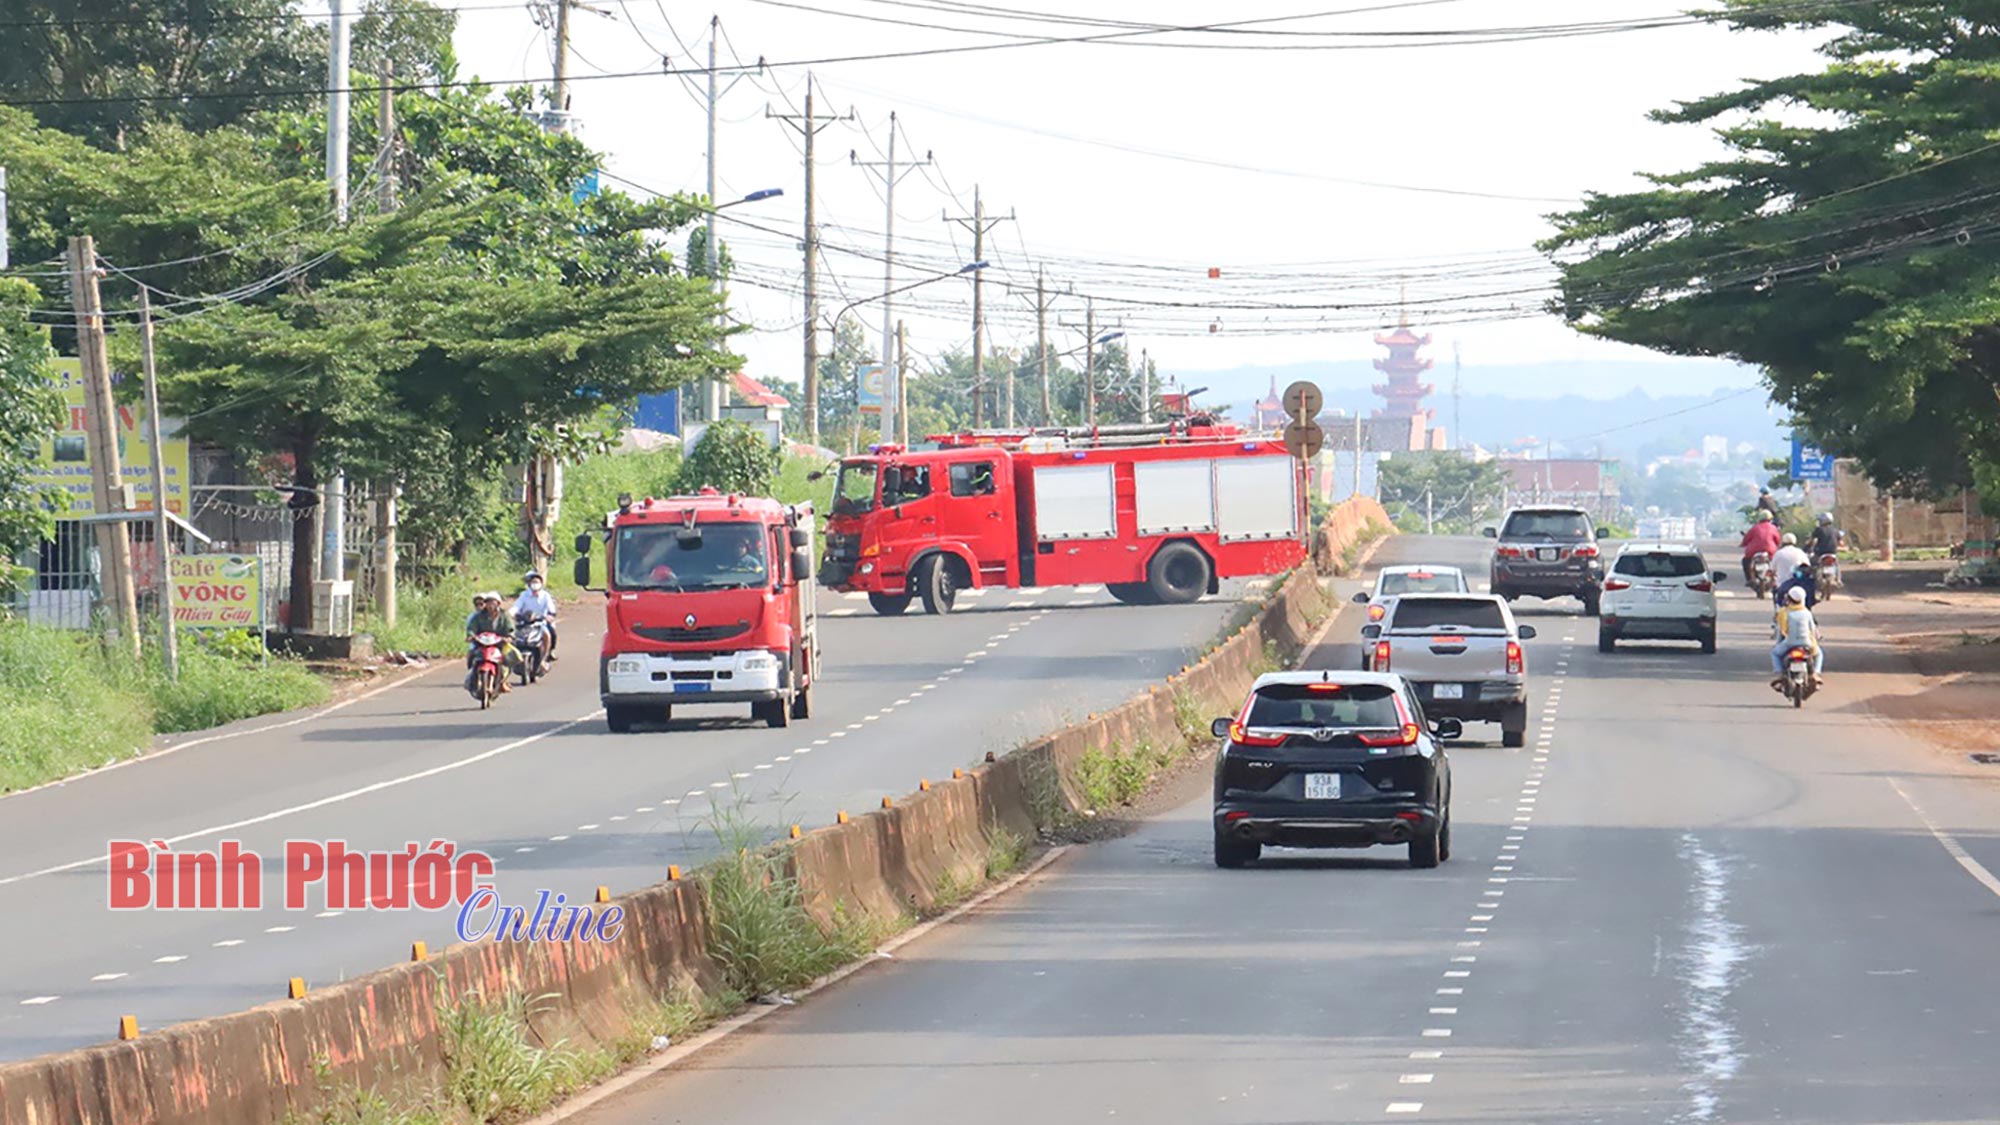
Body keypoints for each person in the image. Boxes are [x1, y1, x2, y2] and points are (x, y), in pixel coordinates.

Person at [1771, 585, 1824, 689]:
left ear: (1789, 599)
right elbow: (1812, 629)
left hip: (1789, 643)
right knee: (1819, 654)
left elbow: (1781, 630)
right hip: (1806, 643)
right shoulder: (1807, 613)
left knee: (1775, 653)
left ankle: (1780, 673)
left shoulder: (1784, 612)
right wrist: (1815, 640)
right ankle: (1815, 674)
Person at [465, 593, 519, 692]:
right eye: (488, 603)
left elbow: (510, 628)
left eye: (493, 603)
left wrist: (509, 637)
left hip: (499, 643)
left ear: (498, 604)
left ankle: (503, 681)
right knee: (472, 654)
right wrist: (471, 636)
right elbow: (471, 628)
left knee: (510, 657)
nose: (490, 605)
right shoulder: (479, 616)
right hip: (481, 643)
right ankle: (472, 678)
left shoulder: (504, 616)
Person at [511, 571, 559, 663]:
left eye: (537, 582)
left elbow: (551, 609)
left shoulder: (545, 595)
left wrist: (550, 615)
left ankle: (548, 653)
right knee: (514, 637)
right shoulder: (524, 595)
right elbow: (516, 606)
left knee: (549, 634)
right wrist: (513, 613)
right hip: (526, 622)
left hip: (541, 622)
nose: (535, 584)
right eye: (533, 582)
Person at [1740, 511, 1781, 584]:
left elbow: (1746, 539)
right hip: (1770, 551)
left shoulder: (1755, 528)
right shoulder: (1773, 528)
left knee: (1745, 561)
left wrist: (1743, 544)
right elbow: (1778, 540)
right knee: (1775, 563)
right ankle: (1774, 579)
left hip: (1753, 551)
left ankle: (1749, 579)